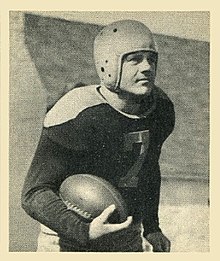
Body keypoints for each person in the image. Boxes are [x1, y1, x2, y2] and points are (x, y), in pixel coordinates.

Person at [21, 19, 175, 252]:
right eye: (134, 59)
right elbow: (34, 193)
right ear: (108, 64)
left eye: (151, 59)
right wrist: (84, 231)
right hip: (69, 237)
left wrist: (152, 227)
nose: (147, 68)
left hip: (126, 234)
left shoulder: (159, 108)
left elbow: (147, 169)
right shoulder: (77, 112)